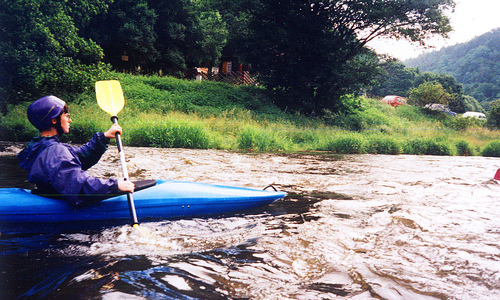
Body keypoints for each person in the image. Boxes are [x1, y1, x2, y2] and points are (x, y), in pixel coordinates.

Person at [17, 95, 135, 206]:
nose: (70, 120)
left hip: (51, 195)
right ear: (54, 120)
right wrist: (115, 186)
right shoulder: (55, 151)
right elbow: (78, 185)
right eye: (66, 116)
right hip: (59, 202)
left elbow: (79, 157)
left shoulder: (41, 146)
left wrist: (104, 137)